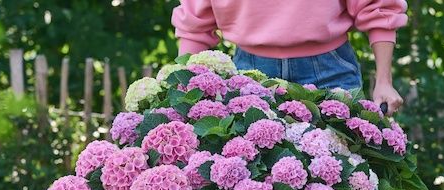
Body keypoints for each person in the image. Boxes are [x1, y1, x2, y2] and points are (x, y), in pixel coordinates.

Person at [172, 0, 408, 113]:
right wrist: (181, 92)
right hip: (248, 77)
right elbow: (195, 24)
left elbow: (379, 7)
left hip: (330, 72)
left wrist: (384, 82)